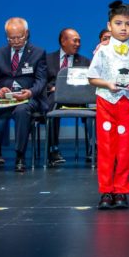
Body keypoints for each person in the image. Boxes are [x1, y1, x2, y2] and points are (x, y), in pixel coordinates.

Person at [0, 17, 47, 174]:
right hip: (5, 98)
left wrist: (30, 92)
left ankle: (20, 156)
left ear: (26, 33)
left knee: (21, 111)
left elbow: (41, 80)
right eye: (11, 38)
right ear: (6, 36)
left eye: (19, 37)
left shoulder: (38, 53)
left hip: (27, 98)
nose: (16, 41)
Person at [87, 1, 129, 209]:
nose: (123, 28)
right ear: (109, 25)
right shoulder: (102, 50)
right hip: (106, 102)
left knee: (125, 148)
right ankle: (106, 190)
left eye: (128, 24)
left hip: (128, 102)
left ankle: (121, 190)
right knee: (106, 147)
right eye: (118, 23)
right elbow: (92, 77)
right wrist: (107, 84)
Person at [45, 28, 89, 166]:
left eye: (79, 41)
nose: (78, 44)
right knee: (50, 105)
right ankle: (53, 149)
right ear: (63, 41)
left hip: (78, 98)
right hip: (55, 96)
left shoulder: (85, 61)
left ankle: (93, 150)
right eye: (75, 41)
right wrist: (52, 88)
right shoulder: (47, 59)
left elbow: (88, 84)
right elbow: (42, 80)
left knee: (94, 108)